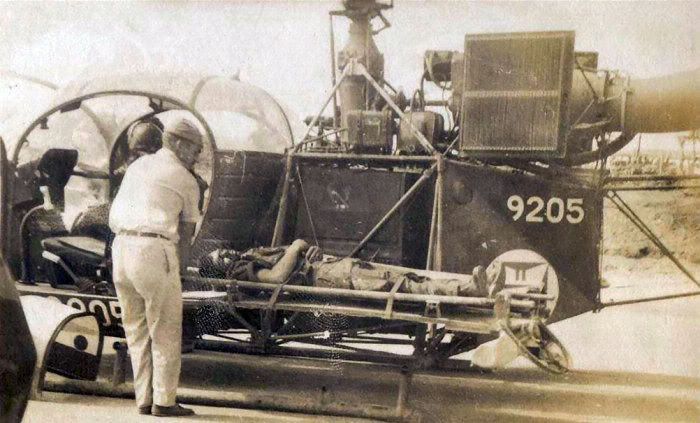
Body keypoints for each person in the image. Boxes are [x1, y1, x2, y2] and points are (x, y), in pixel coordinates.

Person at [109, 118, 203, 417]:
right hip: (153, 250)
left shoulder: (138, 166)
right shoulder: (186, 179)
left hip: (121, 248)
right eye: (195, 149)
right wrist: (182, 271)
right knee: (165, 330)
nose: (197, 157)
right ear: (179, 144)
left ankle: (143, 399)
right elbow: (186, 234)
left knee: (135, 329)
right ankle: (164, 401)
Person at [200, 239, 505, 298]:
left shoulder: (248, 255)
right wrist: (295, 247)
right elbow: (276, 277)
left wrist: (307, 251)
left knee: (403, 278)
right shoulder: (239, 271)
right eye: (220, 257)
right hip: (325, 277)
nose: (225, 252)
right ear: (221, 270)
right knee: (400, 285)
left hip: (326, 268)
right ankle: (470, 289)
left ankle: (472, 286)